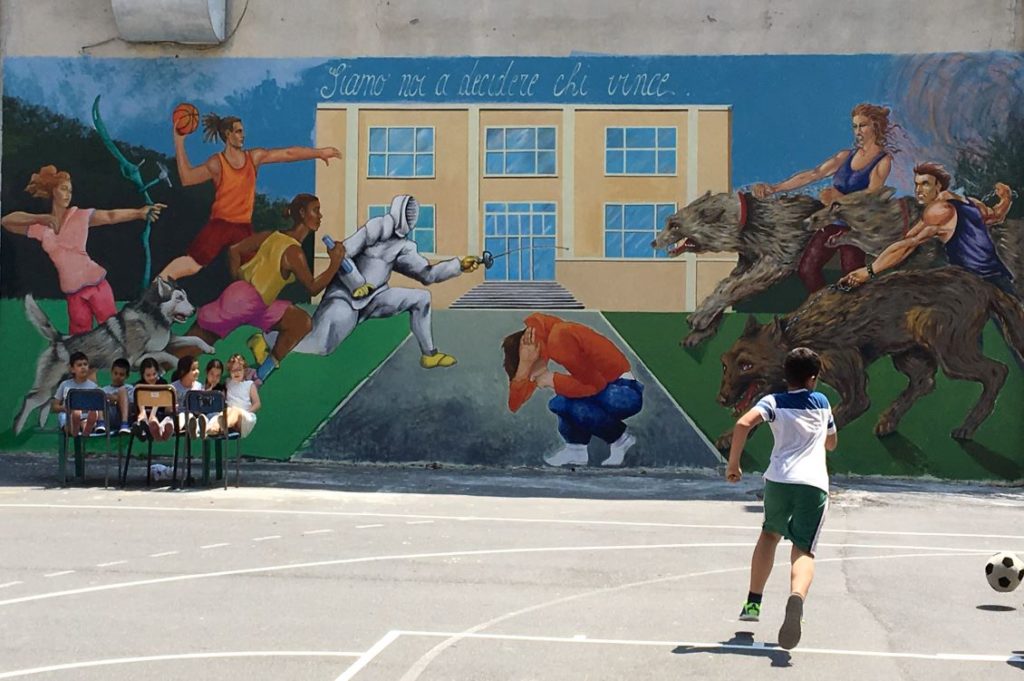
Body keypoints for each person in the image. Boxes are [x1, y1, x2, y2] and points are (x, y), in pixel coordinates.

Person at [255, 194, 480, 369]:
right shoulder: (376, 228)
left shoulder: (404, 246)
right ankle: (266, 339)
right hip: (345, 297)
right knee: (322, 345)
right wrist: (356, 284)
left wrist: (458, 265)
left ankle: (429, 354)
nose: (410, 217)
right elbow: (342, 254)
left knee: (421, 298)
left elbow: (427, 274)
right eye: (407, 211)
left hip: (376, 297)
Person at [726, 347, 838, 651]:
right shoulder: (822, 403)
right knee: (804, 549)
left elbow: (742, 424)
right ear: (813, 378)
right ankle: (796, 598)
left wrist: (734, 464)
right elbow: (831, 443)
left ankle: (753, 602)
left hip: (779, 480)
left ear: (786, 375)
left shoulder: (773, 401)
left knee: (769, 535)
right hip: (813, 484)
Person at [159, 112, 341, 281]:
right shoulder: (217, 163)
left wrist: (319, 153)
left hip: (243, 227)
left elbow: (288, 153)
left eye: (242, 131)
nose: (243, 135)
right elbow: (187, 178)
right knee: (193, 263)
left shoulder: (253, 158)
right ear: (228, 134)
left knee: (253, 273)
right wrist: (179, 141)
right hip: (220, 224)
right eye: (238, 131)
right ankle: (157, 286)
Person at [184, 194, 345, 382]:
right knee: (191, 346)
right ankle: (164, 375)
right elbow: (313, 288)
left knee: (301, 322)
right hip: (243, 300)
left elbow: (234, 251)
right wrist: (335, 263)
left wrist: (237, 281)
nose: (320, 216)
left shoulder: (271, 236)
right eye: (316, 211)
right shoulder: (294, 252)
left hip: (260, 304)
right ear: (302, 213)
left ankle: (259, 375)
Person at [1, 165, 165, 334]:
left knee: (112, 330)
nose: (68, 194)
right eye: (63, 189)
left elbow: (110, 216)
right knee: (79, 335)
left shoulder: (79, 216)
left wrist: (139, 213)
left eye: (70, 191)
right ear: (53, 191)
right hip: (72, 292)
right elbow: (6, 222)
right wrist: (42, 218)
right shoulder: (41, 229)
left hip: (96, 284)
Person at [752, 104, 895, 293]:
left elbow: (870, 200)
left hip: (856, 229)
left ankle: (851, 310)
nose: (858, 131)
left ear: (875, 126)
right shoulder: (845, 156)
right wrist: (775, 188)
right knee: (807, 270)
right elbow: (813, 174)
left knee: (852, 278)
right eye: (855, 126)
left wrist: (838, 199)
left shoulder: (883, 161)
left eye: (863, 125)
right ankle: (826, 304)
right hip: (832, 223)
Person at [839, 164, 1015, 295]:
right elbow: (996, 216)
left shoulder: (938, 210)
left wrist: (868, 271)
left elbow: (907, 245)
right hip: (998, 278)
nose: (918, 190)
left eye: (925, 184)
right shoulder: (971, 203)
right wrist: (1006, 199)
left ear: (939, 186)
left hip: (972, 284)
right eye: (916, 184)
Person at [501, 313, 644, 467]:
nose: (530, 371)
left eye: (528, 363)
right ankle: (576, 450)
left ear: (532, 348)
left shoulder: (559, 337)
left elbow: (595, 385)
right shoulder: (547, 340)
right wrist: (524, 365)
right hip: (609, 389)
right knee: (559, 403)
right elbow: (514, 404)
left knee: (571, 406)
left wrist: (552, 379)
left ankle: (621, 440)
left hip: (623, 392)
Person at [52, 351, 102, 437]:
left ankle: (86, 431)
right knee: (67, 417)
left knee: (87, 419)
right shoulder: (65, 385)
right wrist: (66, 409)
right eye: (79, 365)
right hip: (67, 414)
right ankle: (74, 430)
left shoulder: (93, 387)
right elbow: (54, 406)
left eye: (85, 364)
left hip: (85, 415)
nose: (83, 367)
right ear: (72, 369)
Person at [132, 357, 175, 442]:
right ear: (142, 375)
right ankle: (143, 430)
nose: (152, 377)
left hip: (159, 413)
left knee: (156, 420)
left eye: (154, 374)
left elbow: (159, 401)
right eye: (148, 375)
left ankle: (152, 430)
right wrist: (142, 413)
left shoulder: (162, 383)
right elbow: (140, 403)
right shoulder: (139, 385)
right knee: (139, 421)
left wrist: (152, 415)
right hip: (144, 414)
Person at [102, 357, 134, 436]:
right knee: (99, 393)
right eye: (115, 373)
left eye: (121, 374)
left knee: (122, 390)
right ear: (111, 372)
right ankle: (100, 424)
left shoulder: (129, 388)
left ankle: (124, 424)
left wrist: (115, 399)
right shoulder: (104, 389)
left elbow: (131, 406)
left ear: (127, 376)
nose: (118, 377)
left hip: (123, 418)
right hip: (108, 418)